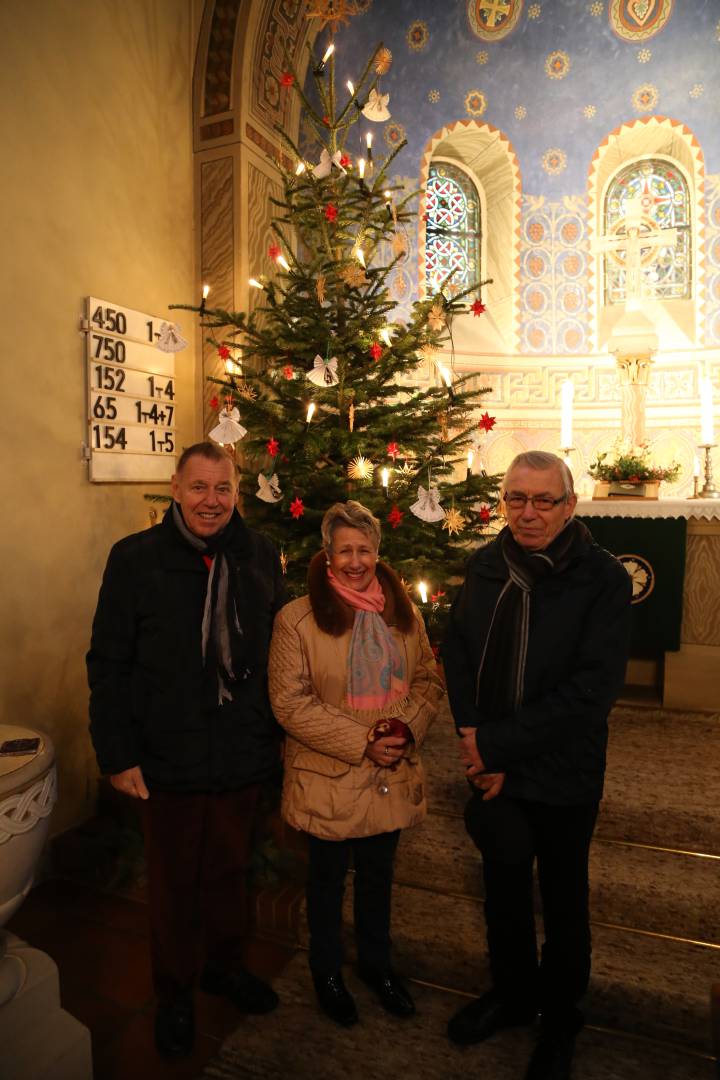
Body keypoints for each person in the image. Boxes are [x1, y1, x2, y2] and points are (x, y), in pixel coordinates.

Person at [87, 441, 286, 1058]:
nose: (211, 501)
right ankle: (173, 994)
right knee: (174, 886)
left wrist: (271, 740)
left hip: (238, 752)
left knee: (232, 872)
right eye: (198, 487)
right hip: (165, 756)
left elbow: (276, 655)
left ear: (236, 493)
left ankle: (225, 968)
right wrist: (117, 755)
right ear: (175, 488)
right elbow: (109, 661)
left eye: (222, 488)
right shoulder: (136, 559)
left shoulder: (260, 556)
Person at [442, 451, 632, 1080]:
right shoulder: (487, 564)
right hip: (494, 761)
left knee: (563, 895)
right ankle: (514, 995)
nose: (527, 513)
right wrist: (474, 741)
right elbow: (460, 654)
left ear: (569, 505)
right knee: (502, 885)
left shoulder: (600, 578)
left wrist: (496, 750)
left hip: (564, 767)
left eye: (542, 500)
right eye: (515, 499)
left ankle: (560, 1017)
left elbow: (590, 692)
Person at [268, 500, 443, 1026]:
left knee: (377, 878)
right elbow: (290, 702)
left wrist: (406, 728)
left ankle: (375, 965)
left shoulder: (402, 610)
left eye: (364, 549)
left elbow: (428, 679)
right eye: (343, 550)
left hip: (389, 773)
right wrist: (364, 740)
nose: (354, 560)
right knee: (325, 883)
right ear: (326, 555)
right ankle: (327, 972)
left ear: (376, 552)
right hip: (330, 775)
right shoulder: (296, 619)